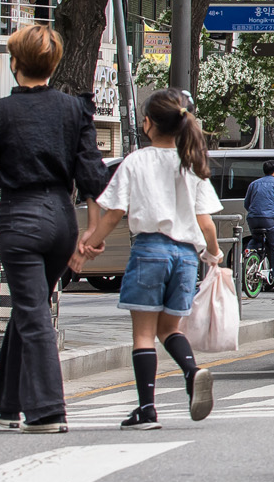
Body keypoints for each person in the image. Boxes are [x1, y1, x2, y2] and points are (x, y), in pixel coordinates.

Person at [0, 24, 111, 434]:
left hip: (21, 220)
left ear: (14, 64)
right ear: (53, 64)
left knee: (32, 313)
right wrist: (90, 231)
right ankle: (4, 403)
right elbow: (92, 173)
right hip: (62, 221)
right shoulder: (74, 111)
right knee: (31, 305)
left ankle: (48, 409)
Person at [73, 89, 221, 430]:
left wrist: (89, 244)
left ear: (149, 124)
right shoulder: (192, 164)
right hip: (185, 257)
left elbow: (113, 214)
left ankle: (147, 409)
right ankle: (192, 371)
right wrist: (213, 254)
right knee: (169, 328)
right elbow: (206, 222)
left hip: (150, 251)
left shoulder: (136, 161)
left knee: (143, 335)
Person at [243, 160, 274, 289]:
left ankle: (249, 255)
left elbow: (247, 203)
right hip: (270, 220)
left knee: (256, 239)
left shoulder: (254, 184)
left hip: (253, 219)